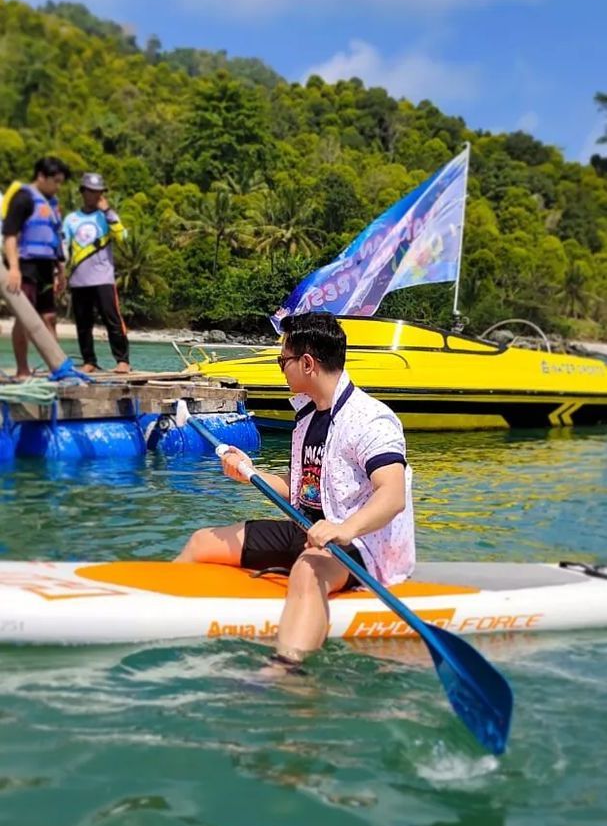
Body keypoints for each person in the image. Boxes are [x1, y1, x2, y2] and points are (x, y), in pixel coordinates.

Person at [176, 311, 415, 672]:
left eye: (282, 360)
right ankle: (149, 612)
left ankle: (286, 671)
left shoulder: (370, 419)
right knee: (202, 543)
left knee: (307, 569)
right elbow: (299, 486)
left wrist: (343, 529)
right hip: (310, 530)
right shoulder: (308, 415)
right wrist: (250, 473)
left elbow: (391, 495)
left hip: (360, 545)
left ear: (307, 363)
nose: (280, 368)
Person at [3, 156, 71, 378]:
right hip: (25, 265)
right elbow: (10, 235)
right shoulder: (24, 199)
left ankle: (57, 366)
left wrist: (60, 270)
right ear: (41, 177)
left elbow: (55, 237)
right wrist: (13, 268)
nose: (58, 186)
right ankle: (22, 369)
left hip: (45, 267)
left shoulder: (51, 203)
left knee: (49, 316)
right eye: (55, 181)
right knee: (24, 317)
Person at [62, 172, 130, 374]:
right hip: (79, 280)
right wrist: (60, 273)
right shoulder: (72, 219)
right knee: (83, 324)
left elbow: (123, 237)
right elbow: (64, 247)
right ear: (83, 192)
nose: (96, 195)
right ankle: (89, 361)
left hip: (103, 278)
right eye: (92, 191)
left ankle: (123, 361)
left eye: (99, 192)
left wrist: (108, 211)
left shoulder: (107, 216)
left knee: (113, 320)